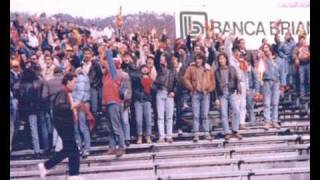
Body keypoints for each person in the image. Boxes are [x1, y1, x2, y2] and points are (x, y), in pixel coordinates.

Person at [38, 72, 84, 180]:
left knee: (70, 149)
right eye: (74, 82)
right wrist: (73, 106)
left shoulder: (66, 92)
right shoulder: (62, 92)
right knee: (73, 148)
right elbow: (60, 107)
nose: (75, 84)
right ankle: (73, 175)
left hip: (65, 124)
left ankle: (47, 166)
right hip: (64, 125)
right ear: (68, 82)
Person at [183, 52, 216, 142]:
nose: (198, 60)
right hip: (195, 93)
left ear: (203, 59)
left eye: (200, 59)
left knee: (205, 114)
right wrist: (191, 88)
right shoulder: (191, 68)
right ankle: (196, 134)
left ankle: (206, 133)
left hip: (205, 94)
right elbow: (185, 79)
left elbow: (213, 81)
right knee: (196, 114)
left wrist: (209, 89)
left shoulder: (208, 69)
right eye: (197, 59)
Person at [102, 50, 126, 157]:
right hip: (107, 102)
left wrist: (107, 50)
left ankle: (121, 146)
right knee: (110, 127)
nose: (106, 65)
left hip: (114, 102)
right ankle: (112, 147)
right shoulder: (106, 76)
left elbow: (109, 63)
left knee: (116, 126)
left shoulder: (115, 73)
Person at [214, 53, 242, 140]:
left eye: (223, 58)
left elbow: (236, 80)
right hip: (222, 93)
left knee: (237, 110)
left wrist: (239, 90)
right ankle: (226, 132)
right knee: (223, 113)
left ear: (226, 59)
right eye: (220, 59)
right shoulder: (217, 71)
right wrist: (216, 98)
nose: (221, 60)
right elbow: (215, 85)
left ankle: (235, 130)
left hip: (231, 92)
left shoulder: (232, 68)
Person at [18, 61, 43, 156]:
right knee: (35, 128)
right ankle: (37, 149)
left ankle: (33, 148)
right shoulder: (36, 85)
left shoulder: (22, 85)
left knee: (28, 129)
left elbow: (22, 97)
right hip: (35, 109)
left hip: (25, 109)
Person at [260, 44, 286, 130]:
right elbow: (259, 71)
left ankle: (274, 121)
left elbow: (282, 72)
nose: (265, 49)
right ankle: (267, 122)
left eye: (266, 47)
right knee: (266, 103)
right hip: (266, 81)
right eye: (264, 48)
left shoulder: (278, 60)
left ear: (270, 49)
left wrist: (283, 85)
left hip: (276, 82)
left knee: (275, 103)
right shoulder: (262, 60)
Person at [154, 53, 178, 143]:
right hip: (160, 92)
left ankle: (169, 135)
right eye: (161, 58)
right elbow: (156, 61)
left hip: (169, 93)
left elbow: (177, 82)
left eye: (163, 58)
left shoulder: (173, 71)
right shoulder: (159, 69)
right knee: (160, 116)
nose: (161, 60)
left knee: (169, 116)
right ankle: (161, 136)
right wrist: (158, 50)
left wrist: (173, 92)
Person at [131, 64, 154, 144]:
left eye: (146, 68)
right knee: (138, 119)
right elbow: (133, 82)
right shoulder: (136, 77)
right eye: (143, 68)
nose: (144, 69)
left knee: (148, 119)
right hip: (138, 100)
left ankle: (148, 136)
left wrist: (149, 83)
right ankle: (139, 136)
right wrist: (141, 78)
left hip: (147, 100)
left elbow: (153, 89)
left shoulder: (150, 78)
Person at [73, 68, 92, 158]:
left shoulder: (79, 78)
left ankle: (82, 148)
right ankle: (85, 148)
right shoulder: (85, 78)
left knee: (79, 127)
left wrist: (74, 103)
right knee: (82, 127)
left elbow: (80, 93)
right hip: (82, 103)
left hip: (79, 104)